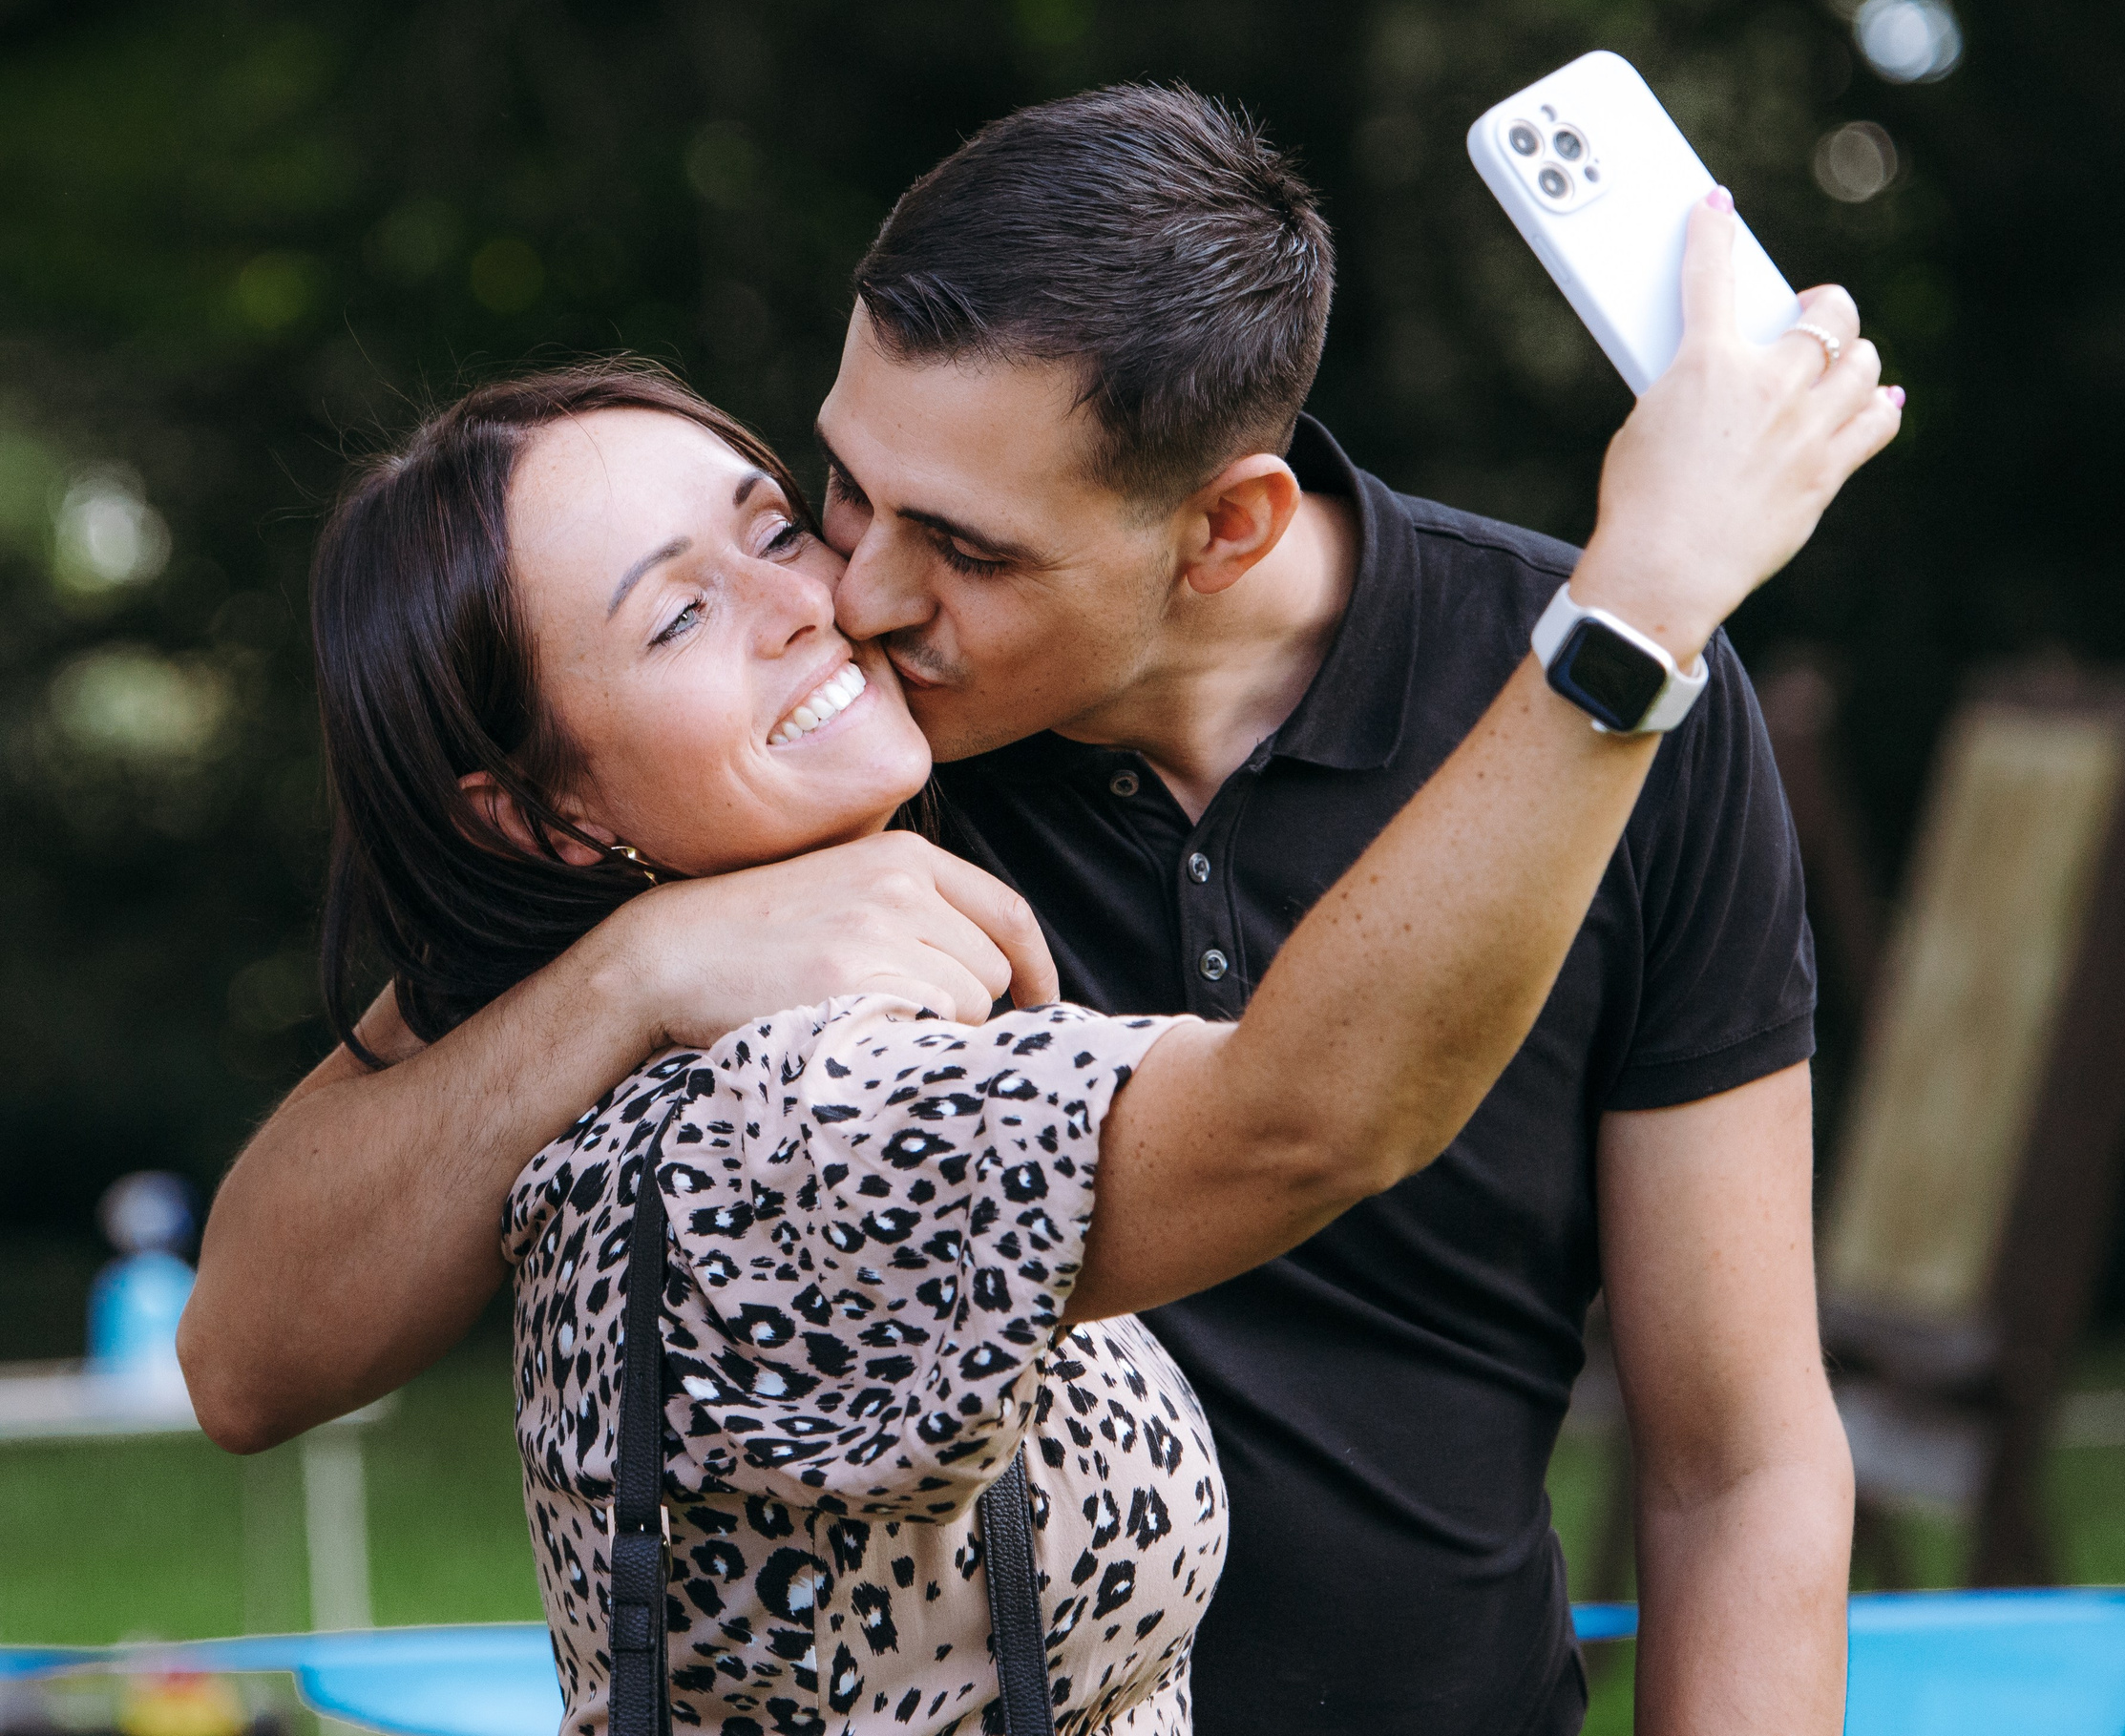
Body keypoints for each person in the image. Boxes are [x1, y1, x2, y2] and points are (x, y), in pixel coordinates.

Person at [184, 89, 1881, 1734]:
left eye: (966, 551)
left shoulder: (1610, 700)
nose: (853, 590)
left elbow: (1740, 1453)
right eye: (840, 486)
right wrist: (635, 970)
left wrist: (1629, 631)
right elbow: (251, 1352)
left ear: (1225, 528)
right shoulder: (798, 777)